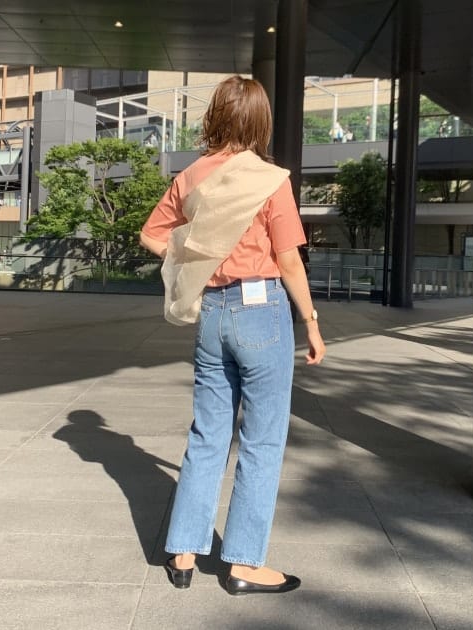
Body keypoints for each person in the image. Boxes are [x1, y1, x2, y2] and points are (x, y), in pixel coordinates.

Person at [139, 75, 326, 596]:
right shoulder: (269, 180)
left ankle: (182, 551)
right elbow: (289, 260)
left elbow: (151, 235)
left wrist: (195, 264)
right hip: (261, 311)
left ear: (215, 116)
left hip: (213, 313)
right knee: (262, 440)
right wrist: (311, 322)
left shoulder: (191, 176)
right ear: (261, 121)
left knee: (208, 434)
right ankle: (243, 564)